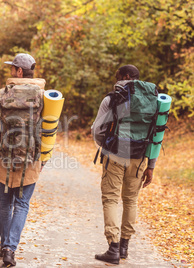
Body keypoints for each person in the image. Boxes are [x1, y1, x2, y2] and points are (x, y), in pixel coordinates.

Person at [91, 65, 157, 264]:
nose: (116, 80)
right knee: (130, 200)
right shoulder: (152, 101)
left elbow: (97, 129)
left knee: (111, 199)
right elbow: (156, 134)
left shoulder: (112, 98)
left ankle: (113, 247)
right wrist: (151, 165)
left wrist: (106, 145)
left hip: (116, 154)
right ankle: (125, 247)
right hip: (139, 157)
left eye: (118, 76)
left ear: (126, 76)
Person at [0, 53, 45, 267]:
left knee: (5, 203)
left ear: (19, 71)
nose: (10, 71)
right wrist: (44, 158)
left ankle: (3, 245)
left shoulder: (2, 94)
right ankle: (10, 248)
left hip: (5, 157)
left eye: (12, 68)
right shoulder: (43, 95)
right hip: (31, 158)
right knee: (22, 204)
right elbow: (48, 130)